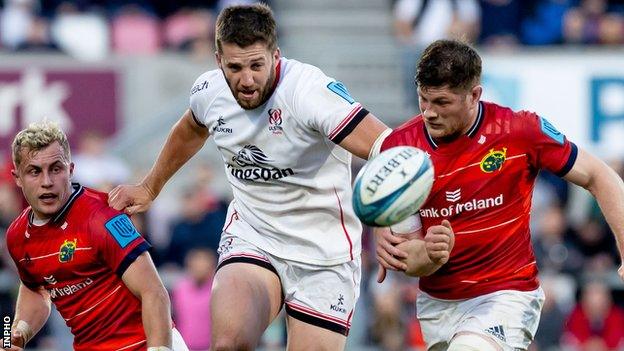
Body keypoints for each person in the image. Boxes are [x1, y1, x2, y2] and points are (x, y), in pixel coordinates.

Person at [108, 3, 389, 350]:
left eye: (257, 65)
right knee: (229, 343)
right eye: (235, 67)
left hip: (324, 254)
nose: (246, 80)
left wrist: (393, 223)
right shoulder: (210, 92)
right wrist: (150, 186)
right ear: (218, 60)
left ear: (276, 55)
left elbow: (386, 147)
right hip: (254, 237)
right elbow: (190, 130)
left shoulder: (309, 92)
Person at [373, 39, 624, 351]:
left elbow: (601, 176)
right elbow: (411, 261)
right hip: (438, 305)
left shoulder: (519, 131)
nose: (429, 113)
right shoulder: (399, 150)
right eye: (423, 100)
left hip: (507, 295)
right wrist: (429, 252)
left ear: (475, 95)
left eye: (442, 102)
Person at [4, 122, 188, 351]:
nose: (47, 182)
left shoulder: (102, 217)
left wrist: (159, 349)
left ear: (70, 170)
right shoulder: (17, 236)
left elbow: (154, 292)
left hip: (147, 344)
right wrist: (17, 333)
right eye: (34, 171)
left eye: (56, 169)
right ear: (17, 177)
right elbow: (35, 289)